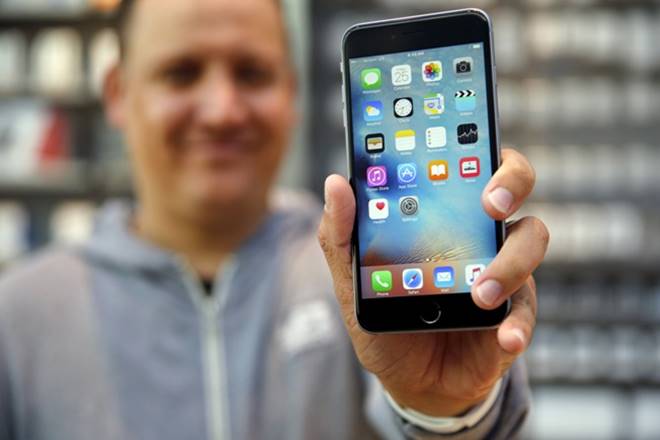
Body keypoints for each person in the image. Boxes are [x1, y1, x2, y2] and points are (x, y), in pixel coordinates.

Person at [0, 0, 549, 439]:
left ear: (291, 90)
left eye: (252, 73)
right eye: (181, 73)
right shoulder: (18, 316)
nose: (222, 110)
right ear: (118, 93)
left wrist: (448, 413)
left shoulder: (361, 267)